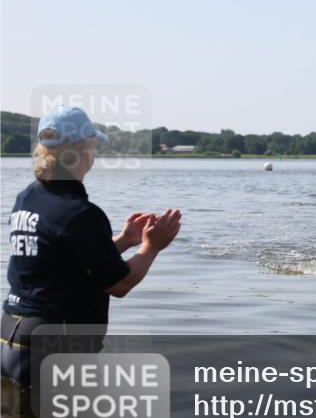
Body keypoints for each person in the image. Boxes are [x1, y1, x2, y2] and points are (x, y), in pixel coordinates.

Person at [1, 106, 182, 386]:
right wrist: (152, 246)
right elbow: (119, 284)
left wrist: (124, 240)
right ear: (82, 149)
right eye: (93, 145)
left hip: (10, 335)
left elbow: (62, 256)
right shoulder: (80, 213)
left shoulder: (28, 197)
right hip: (51, 344)